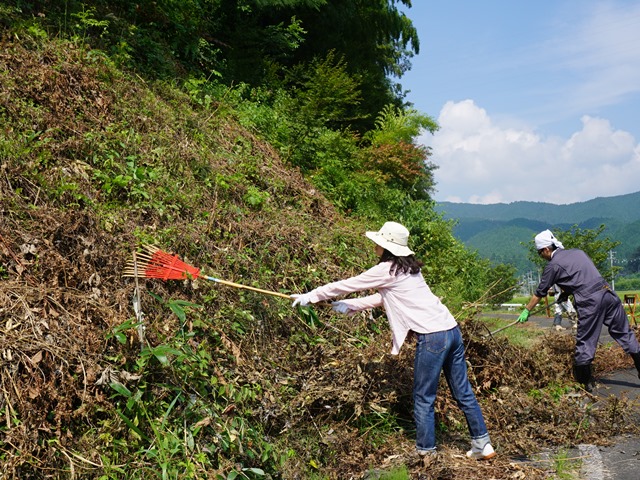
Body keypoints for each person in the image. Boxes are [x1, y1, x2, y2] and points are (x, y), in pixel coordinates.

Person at [291, 221, 496, 459]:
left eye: (378, 241)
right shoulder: (409, 270)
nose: (374, 245)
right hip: (451, 331)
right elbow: (385, 298)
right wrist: (350, 306)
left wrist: (312, 295)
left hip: (432, 337)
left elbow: (348, 285)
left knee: (423, 397)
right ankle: (483, 444)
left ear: (387, 246)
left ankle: (426, 452)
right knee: (463, 392)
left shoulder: (386, 270)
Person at [518, 230, 640, 392]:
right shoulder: (578, 253)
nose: (542, 257)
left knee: (586, 340)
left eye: (541, 253)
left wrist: (526, 310)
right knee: (625, 333)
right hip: (608, 294)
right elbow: (580, 276)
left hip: (591, 301)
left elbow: (539, 293)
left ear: (546, 249)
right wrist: (566, 294)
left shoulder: (553, 266)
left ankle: (586, 383)